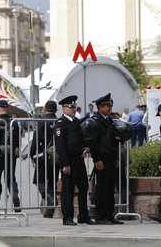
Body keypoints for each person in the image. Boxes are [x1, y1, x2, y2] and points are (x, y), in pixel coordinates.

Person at [54, 95, 94, 226]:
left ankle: (83, 216)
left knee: (83, 188)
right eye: (70, 107)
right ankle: (68, 217)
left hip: (79, 160)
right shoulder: (61, 124)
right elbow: (60, 146)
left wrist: (87, 147)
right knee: (68, 191)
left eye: (74, 107)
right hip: (69, 161)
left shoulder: (77, 122)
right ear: (64, 109)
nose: (73, 109)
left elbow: (84, 138)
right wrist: (65, 164)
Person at [90, 93, 123, 225]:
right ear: (99, 107)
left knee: (110, 188)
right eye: (107, 105)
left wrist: (116, 158)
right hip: (101, 159)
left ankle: (109, 215)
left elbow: (113, 141)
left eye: (110, 105)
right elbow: (93, 142)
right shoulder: (95, 121)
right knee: (102, 189)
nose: (109, 108)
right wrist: (97, 160)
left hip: (110, 158)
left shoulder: (109, 120)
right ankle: (101, 216)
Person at [30, 100, 59, 218]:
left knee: (39, 180)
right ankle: (49, 212)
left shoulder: (42, 121)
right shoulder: (59, 121)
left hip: (44, 155)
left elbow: (36, 139)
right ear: (56, 110)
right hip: (57, 156)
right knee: (52, 182)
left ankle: (50, 198)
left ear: (45, 110)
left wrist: (33, 155)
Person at [0, 100, 21, 212]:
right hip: (11, 153)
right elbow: (18, 139)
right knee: (10, 177)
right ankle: (14, 193)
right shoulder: (14, 122)